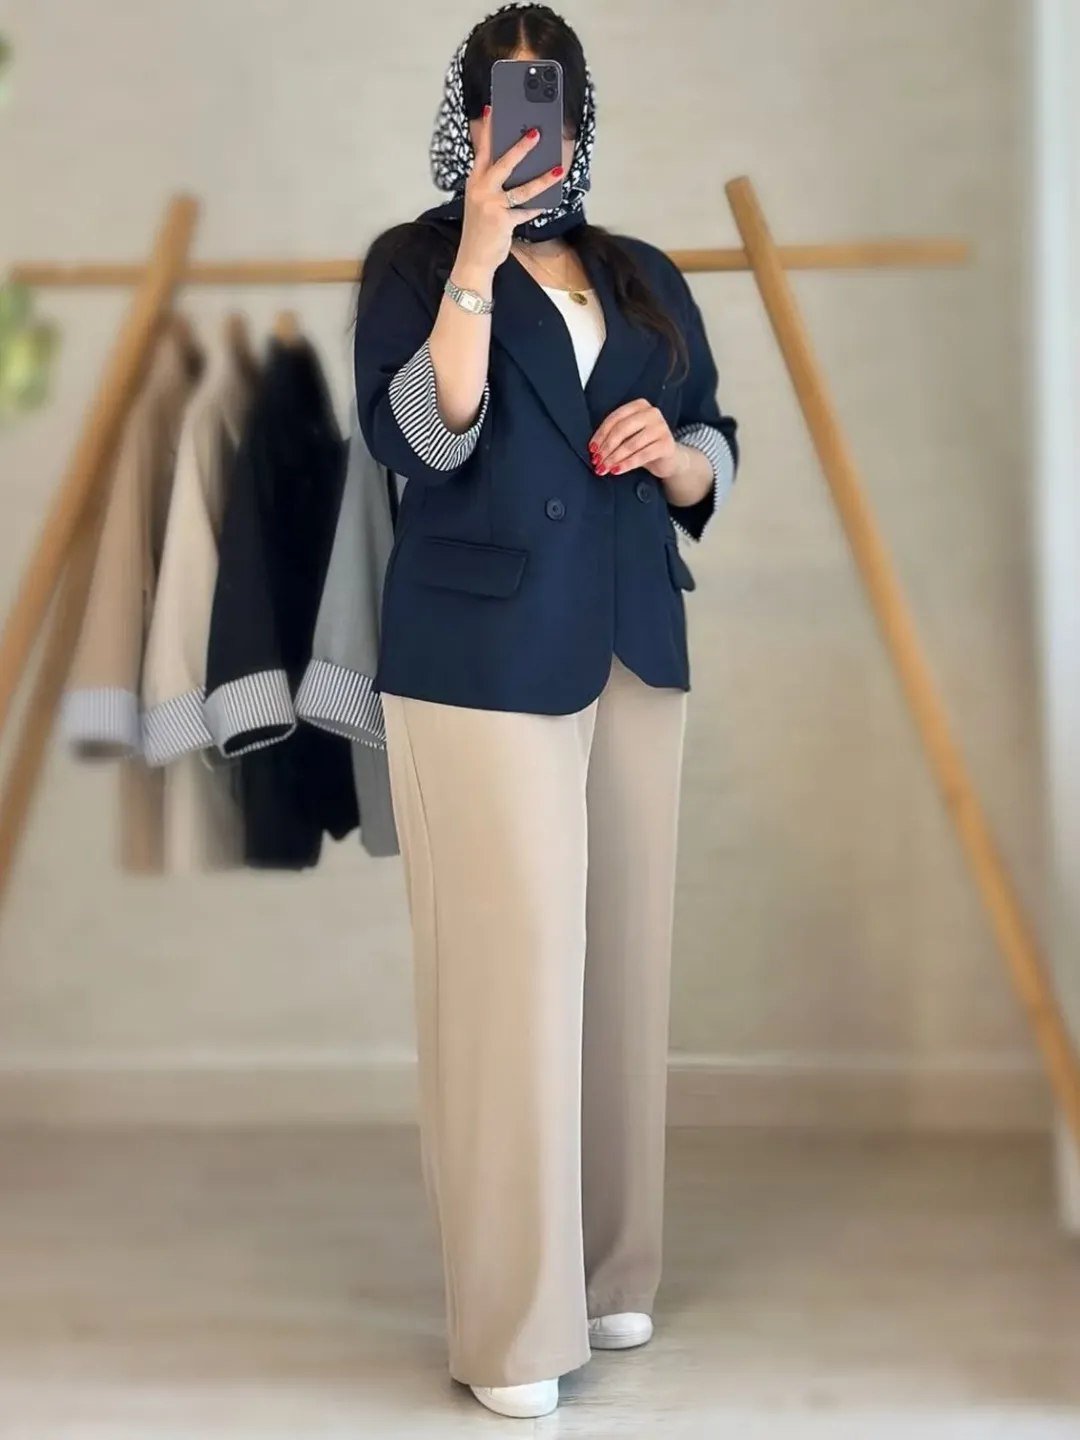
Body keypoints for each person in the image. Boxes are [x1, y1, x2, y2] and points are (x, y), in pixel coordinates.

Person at [352, 2, 739, 1420]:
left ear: (580, 117)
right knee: (508, 983)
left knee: (622, 970)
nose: (534, 127)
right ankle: (515, 1327)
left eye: (553, 101)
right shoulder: (411, 262)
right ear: (466, 117)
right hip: (480, 653)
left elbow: (713, 434)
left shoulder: (641, 273)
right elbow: (425, 436)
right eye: (506, 100)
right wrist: (476, 249)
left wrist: (677, 456)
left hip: (633, 642)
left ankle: (612, 1268)